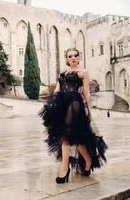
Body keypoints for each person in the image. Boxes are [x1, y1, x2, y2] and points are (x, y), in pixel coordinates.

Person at [39, 48, 108, 184]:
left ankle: (64, 170)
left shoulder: (83, 72)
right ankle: (88, 160)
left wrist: (89, 110)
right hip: (62, 104)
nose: (73, 58)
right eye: (70, 56)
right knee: (75, 140)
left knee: (66, 135)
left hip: (75, 103)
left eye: (75, 55)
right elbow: (57, 90)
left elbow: (86, 93)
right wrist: (52, 106)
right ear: (67, 58)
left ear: (79, 57)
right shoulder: (63, 72)